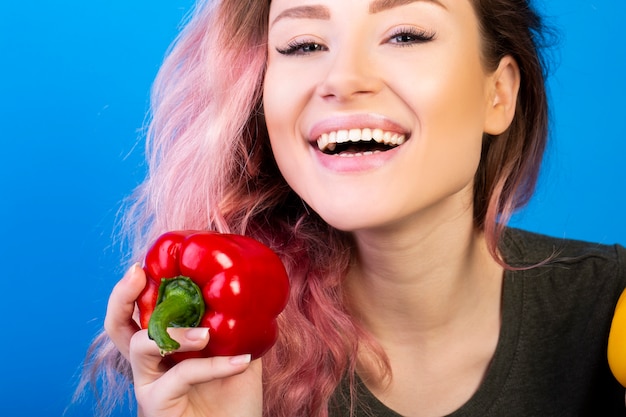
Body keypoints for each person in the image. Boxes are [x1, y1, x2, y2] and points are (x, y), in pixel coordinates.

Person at [79, 0, 626, 416]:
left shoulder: (610, 309)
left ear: (498, 95)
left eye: (405, 34)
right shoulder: (220, 355)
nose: (342, 80)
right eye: (303, 45)